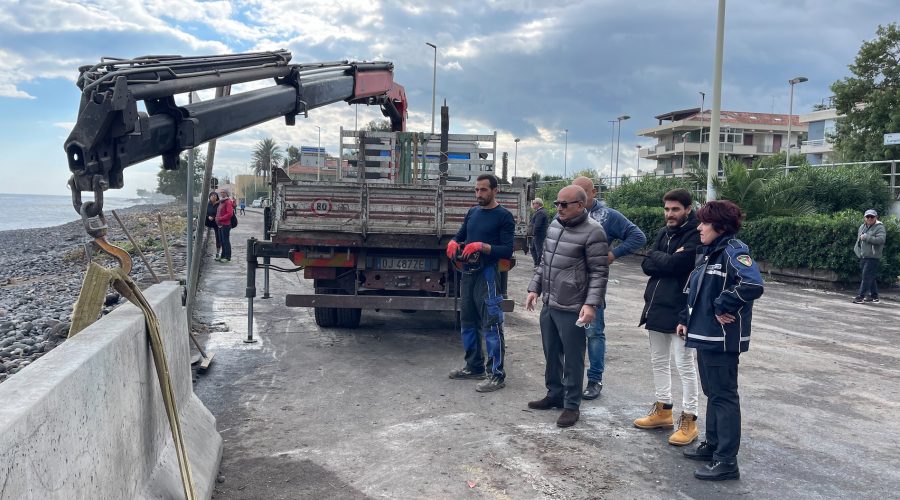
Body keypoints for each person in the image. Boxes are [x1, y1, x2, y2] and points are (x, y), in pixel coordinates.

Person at [679, 200, 763, 481]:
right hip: (704, 336)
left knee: (724, 396)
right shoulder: (709, 253)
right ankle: (713, 446)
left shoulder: (733, 251)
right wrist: (685, 319)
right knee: (713, 394)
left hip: (721, 339)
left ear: (720, 226)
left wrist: (723, 305)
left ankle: (727, 461)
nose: (699, 227)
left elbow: (752, 284)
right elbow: (694, 291)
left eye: (704, 222)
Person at [525, 185, 609, 428]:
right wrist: (534, 289)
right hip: (550, 302)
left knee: (572, 357)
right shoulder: (554, 225)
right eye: (557, 203)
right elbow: (544, 262)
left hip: (573, 305)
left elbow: (599, 273)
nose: (559, 208)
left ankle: (571, 405)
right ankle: (554, 394)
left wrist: (591, 305)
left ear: (581, 205)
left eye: (564, 204)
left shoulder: (594, 232)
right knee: (551, 352)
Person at [634, 188, 701, 446]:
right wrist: (667, 258)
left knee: (685, 366)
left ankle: (690, 419)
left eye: (675, 209)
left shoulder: (696, 234)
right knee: (658, 361)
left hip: (681, 312)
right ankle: (663, 410)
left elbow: (679, 266)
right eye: (666, 209)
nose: (669, 214)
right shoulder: (664, 233)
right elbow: (646, 264)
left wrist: (664, 259)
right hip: (656, 308)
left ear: (687, 209)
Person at [570, 176, 646, 400]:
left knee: (594, 332)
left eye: (583, 193)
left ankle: (594, 380)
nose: (579, 198)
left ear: (593, 192)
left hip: (593, 282)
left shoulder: (608, 216)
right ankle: (570, 379)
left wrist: (614, 254)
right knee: (569, 333)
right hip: (568, 284)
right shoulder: (567, 213)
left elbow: (638, 236)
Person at [446, 174, 515, 393]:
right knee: (467, 321)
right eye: (476, 190)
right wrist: (453, 242)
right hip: (468, 273)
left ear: (495, 191)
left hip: (488, 275)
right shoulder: (472, 212)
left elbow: (507, 250)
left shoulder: (504, 216)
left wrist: (482, 246)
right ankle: (473, 366)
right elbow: (460, 234)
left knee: (491, 323)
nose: (479, 194)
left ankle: (496, 375)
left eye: (483, 190)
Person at [853, 209, 886, 303]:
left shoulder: (879, 227)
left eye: (872, 216)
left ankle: (860, 297)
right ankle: (874, 296)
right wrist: (858, 252)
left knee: (866, 276)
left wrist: (867, 237)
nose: (870, 218)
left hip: (873, 256)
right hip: (864, 256)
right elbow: (858, 241)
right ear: (864, 218)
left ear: (876, 217)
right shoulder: (862, 227)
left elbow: (881, 240)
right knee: (870, 276)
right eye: (868, 216)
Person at [215, 190, 235, 263]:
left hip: (225, 224)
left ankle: (227, 256)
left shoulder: (228, 202)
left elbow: (230, 214)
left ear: (227, 193)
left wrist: (220, 218)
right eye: (221, 192)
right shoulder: (221, 202)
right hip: (220, 224)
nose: (222, 193)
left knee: (226, 241)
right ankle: (223, 256)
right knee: (222, 241)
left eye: (223, 192)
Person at [528, 198, 549, 267]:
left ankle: (538, 265)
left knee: (538, 250)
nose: (533, 205)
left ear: (538, 204)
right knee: (533, 249)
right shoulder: (539, 212)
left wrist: (533, 234)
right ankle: (536, 264)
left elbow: (537, 225)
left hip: (539, 235)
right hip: (537, 235)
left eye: (533, 203)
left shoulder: (541, 212)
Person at [205, 191, 222, 259]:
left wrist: (214, 217)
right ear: (210, 197)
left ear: (217, 197)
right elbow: (204, 212)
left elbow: (220, 213)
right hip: (209, 222)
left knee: (218, 237)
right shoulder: (207, 204)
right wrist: (208, 216)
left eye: (215, 195)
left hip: (217, 223)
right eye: (212, 195)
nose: (213, 196)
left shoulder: (219, 204)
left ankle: (218, 252)